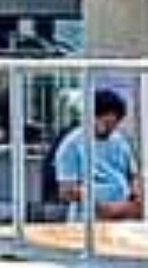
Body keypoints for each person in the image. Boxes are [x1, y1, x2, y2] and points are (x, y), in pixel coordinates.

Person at [51, 89, 142, 223]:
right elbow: (66, 191)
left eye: (115, 123)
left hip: (123, 214)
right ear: (92, 117)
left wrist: (135, 197)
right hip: (89, 218)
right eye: (106, 123)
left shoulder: (120, 141)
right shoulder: (71, 145)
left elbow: (133, 174)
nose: (111, 128)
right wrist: (100, 204)